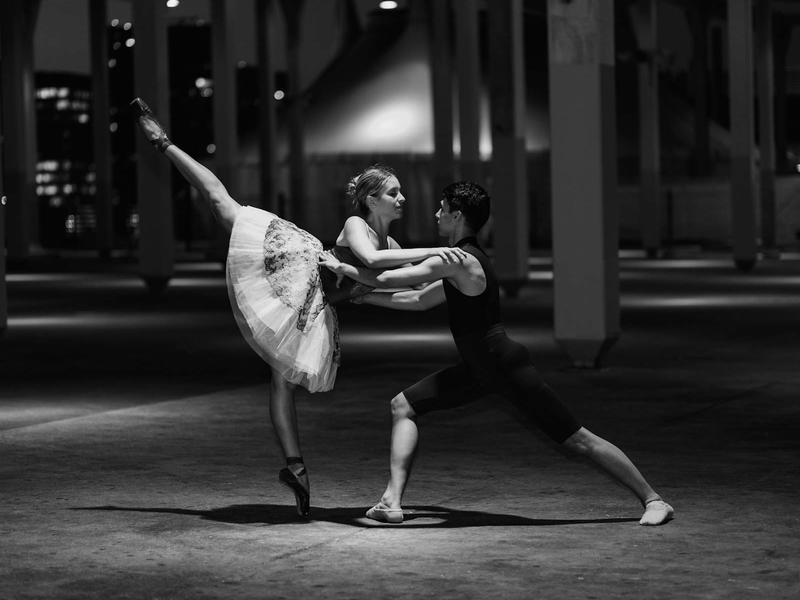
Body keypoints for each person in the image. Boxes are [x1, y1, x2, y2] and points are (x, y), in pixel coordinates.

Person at [130, 98, 465, 518]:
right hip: (296, 267)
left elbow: (408, 282)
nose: (403, 198)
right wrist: (439, 253)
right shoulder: (356, 226)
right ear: (371, 200)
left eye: (401, 192)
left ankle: (295, 466)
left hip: (317, 307)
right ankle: (162, 142)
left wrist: (458, 274)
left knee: (281, 380)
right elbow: (375, 264)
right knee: (220, 200)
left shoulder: (393, 244)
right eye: (394, 193)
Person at [319, 181, 674, 526]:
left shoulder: (459, 260)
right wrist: (361, 296)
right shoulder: (460, 262)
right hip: (480, 367)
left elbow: (389, 279)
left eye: (442, 209)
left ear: (456, 216)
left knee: (577, 439)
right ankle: (390, 502)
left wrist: (346, 270)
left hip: (503, 365)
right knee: (403, 405)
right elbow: (418, 300)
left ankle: (654, 499)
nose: (436, 213)